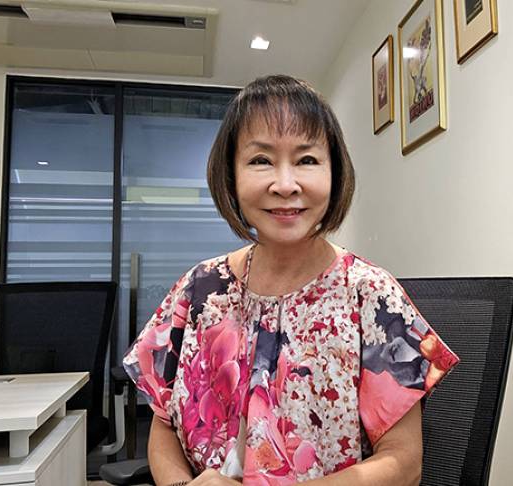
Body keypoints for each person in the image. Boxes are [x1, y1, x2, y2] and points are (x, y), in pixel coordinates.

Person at [123, 75, 459, 486]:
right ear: (230, 175)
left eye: (307, 160)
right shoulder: (200, 289)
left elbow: (404, 463)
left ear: (335, 172)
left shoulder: (371, 294)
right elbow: (163, 424)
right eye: (261, 160)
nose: (285, 185)